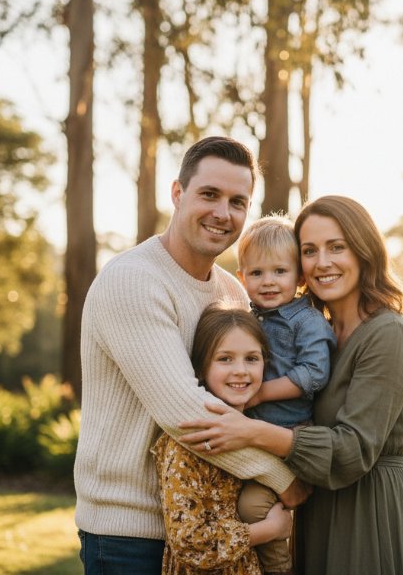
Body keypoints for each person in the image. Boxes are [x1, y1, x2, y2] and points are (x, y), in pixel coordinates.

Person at [74, 136, 308, 575]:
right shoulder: (133, 281)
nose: (223, 213)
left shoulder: (232, 292)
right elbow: (186, 415)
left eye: (238, 201)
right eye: (209, 194)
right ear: (178, 194)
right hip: (130, 533)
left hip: (215, 526)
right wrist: (285, 479)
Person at [179, 195, 403, 574]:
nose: (322, 262)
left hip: (368, 516)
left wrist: (252, 431)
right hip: (317, 509)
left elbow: (353, 450)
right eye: (310, 250)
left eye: (337, 247)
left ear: (364, 251)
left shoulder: (389, 334)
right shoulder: (320, 330)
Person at [153, 305, 293, 574]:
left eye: (252, 358)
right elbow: (189, 541)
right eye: (225, 359)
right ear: (202, 369)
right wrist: (269, 530)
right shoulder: (190, 442)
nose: (240, 370)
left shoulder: (260, 431)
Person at [233, 216, 336, 575]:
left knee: (252, 508)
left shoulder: (305, 322)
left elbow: (313, 373)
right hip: (251, 440)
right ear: (241, 277)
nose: (269, 282)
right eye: (257, 273)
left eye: (280, 271)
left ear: (301, 278)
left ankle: (278, 570)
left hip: (287, 440)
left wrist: (260, 395)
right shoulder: (247, 319)